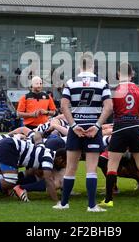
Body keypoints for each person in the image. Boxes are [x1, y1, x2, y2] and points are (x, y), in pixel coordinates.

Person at [53, 53, 113, 212]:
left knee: (70, 168)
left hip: (76, 129)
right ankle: (92, 206)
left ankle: (64, 204)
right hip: (93, 128)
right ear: (93, 65)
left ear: (80, 66)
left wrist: (73, 126)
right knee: (91, 169)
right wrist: (98, 125)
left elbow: (63, 106)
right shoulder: (102, 83)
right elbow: (109, 107)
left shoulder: (71, 82)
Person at [99, 62, 139, 208]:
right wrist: (136, 112)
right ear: (132, 74)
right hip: (135, 127)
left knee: (112, 165)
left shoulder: (114, 90)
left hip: (119, 128)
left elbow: (109, 109)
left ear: (118, 74)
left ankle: (109, 200)